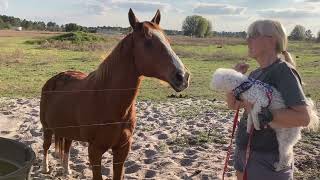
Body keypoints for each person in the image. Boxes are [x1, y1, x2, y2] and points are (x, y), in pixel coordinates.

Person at [226, 20, 312, 180]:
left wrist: (266, 114)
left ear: (272, 40)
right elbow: (233, 104)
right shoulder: (254, 74)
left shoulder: (283, 71)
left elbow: (303, 118)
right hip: (244, 150)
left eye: (253, 35)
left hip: (269, 158)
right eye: (247, 36)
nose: (247, 40)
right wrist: (234, 78)